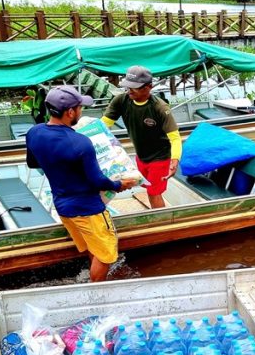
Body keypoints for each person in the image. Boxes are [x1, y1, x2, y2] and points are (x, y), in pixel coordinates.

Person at [25, 86, 138, 283]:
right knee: (105, 256)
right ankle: (96, 297)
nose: (81, 111)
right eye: (79, 108)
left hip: (63, 208)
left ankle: (92, 284)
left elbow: (33, 163)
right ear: (70, 112)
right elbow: (97, 181)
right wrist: (118, 184)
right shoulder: (81, 142)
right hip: (89, 209)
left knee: (93, 247)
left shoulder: (34, 133)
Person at [101, 65, 181, 209]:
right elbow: (104, 125)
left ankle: (161, 225)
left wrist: (174, 161)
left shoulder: (160, 108)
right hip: (141, 156)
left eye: (134, 87)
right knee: (147, 188)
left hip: (160, 158)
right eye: (127, 86)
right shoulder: (121, 100)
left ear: (148, 87)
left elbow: (175, 138)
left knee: (153, 192)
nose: (129, 90)